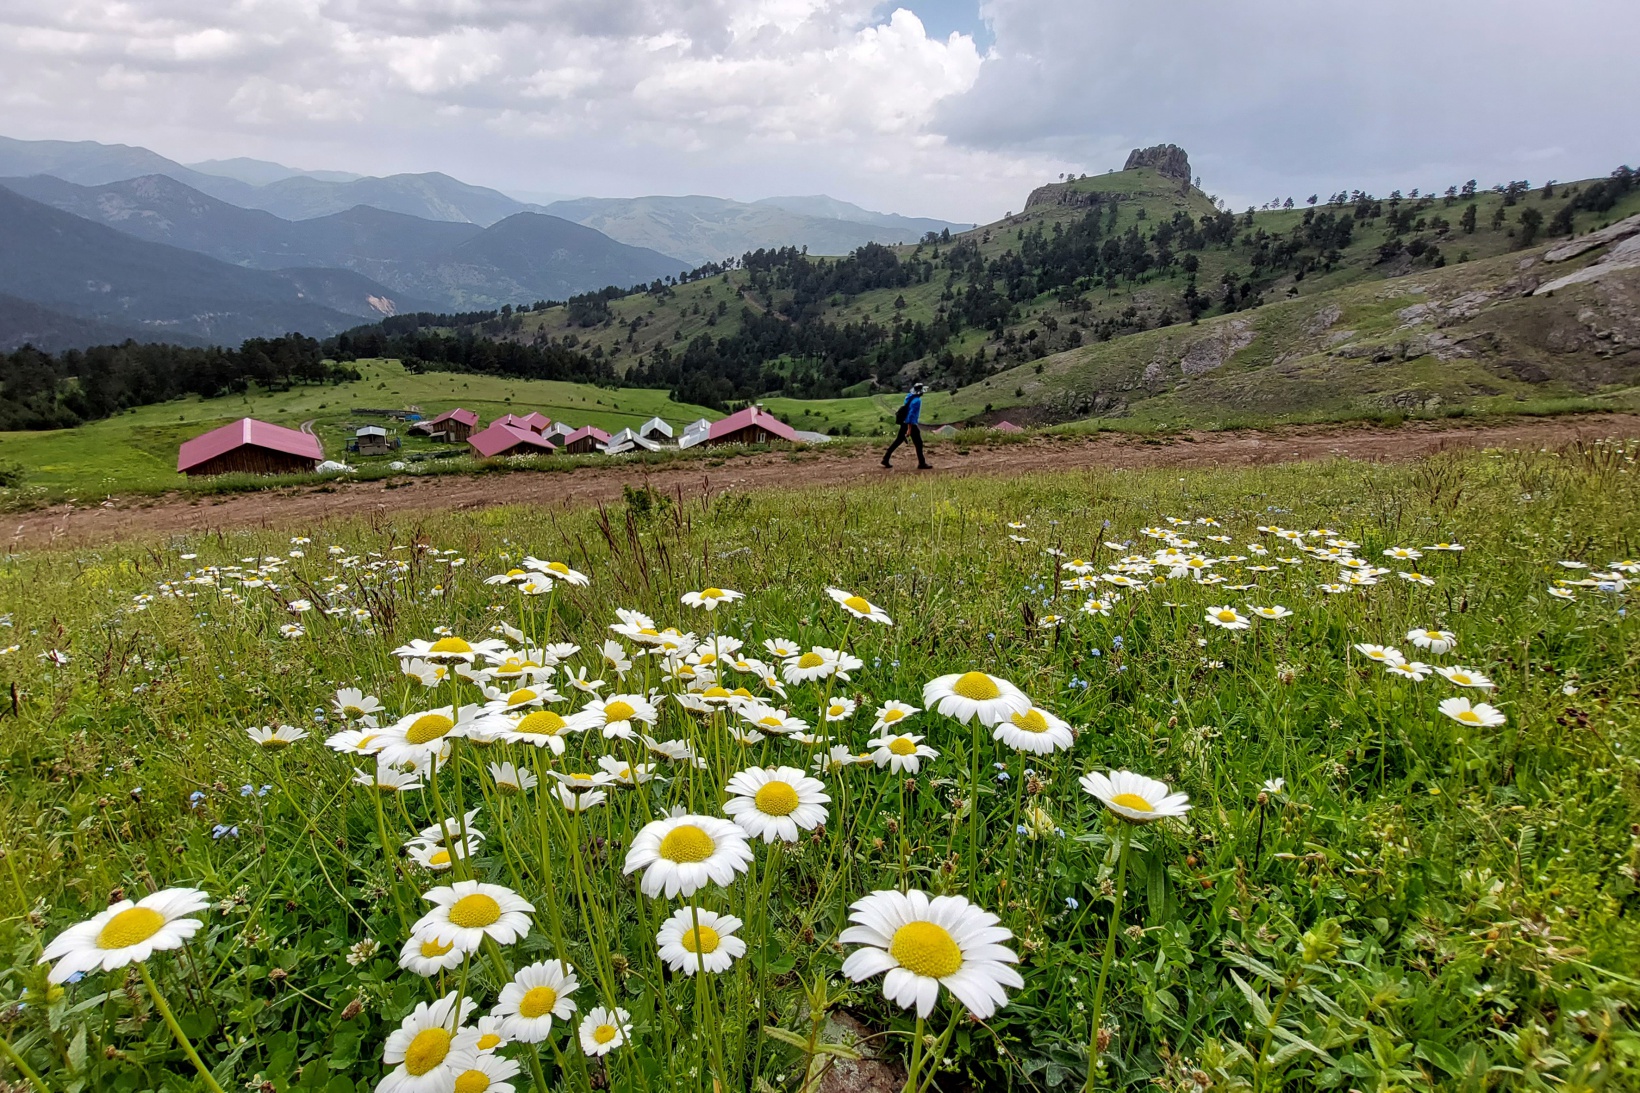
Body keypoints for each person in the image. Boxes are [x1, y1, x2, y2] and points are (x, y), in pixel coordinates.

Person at [882, 382, 931, 470]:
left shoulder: (909, 397)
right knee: (918, 443)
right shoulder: (917, 401)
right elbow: (911, 415)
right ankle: (922, 463)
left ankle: (886, 458)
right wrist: (909, 429)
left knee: (898, 441)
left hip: (904, 423)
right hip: (910, 424)